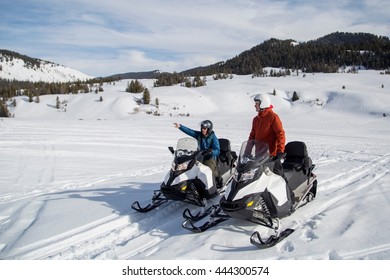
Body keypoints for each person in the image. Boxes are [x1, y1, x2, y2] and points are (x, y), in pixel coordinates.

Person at [174, 120, 222, 187]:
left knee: (208, 171)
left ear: (209, 129)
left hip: (209, 157)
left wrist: (211, 152)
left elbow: (217, 150)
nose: (203, 130)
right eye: (202, 128)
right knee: (190, 168)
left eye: (204, 129)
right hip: (199, 155)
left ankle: (214, 183)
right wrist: (180, 127)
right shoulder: (199, 135)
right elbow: (190, 132)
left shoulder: (213, 138)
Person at [248, 93, 286, 178]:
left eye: (257, 103)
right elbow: (252, 137)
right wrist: (247, 151)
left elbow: (280, 134)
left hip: (272, 156)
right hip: (259, 156)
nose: (255, 106)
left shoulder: (273, 117)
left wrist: (280, 151)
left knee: (279, 177)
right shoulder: (256, 119)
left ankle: (289, 191)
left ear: (263, 104)